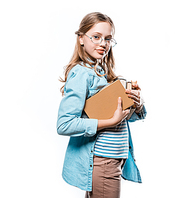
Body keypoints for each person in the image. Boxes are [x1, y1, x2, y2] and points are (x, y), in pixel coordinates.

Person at [57, 12, 147, 198]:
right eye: (96, 37)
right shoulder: (81, 73)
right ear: (81, 38)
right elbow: (64, 124)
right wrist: (109, 122)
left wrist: (137, 104)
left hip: (113, 160)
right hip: (102, 161)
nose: (103, 43)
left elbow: (121, 117)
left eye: (108, 39)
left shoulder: (104, 73)